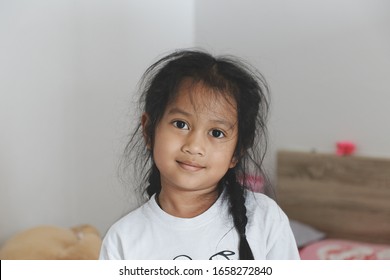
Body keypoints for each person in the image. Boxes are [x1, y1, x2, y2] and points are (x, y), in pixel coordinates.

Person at [99, 49, 299, 260]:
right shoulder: (123, 238)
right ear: (149, 131)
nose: (194, 146)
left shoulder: (265, 218)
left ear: (237, 152)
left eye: (216, 133)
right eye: (181, 124)